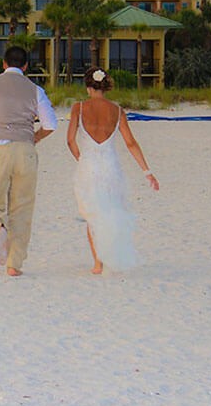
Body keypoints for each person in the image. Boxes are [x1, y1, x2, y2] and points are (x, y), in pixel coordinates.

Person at [0, 46, 58, 276]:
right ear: (26, 66)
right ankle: (13, 265)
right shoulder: (35, 89)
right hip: (25, 150)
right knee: (22, 208)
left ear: (4, 64)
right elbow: (50, 124)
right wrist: (33, 138)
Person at [66, 67, 159, 274]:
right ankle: (107, 257)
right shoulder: (117, 110)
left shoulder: (78, 108)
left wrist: (81, 159)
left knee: (92, 214)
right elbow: (131, 143)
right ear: (104, 86)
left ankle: (98, 263)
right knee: (110, 211)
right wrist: (147, 171)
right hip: (111, 166)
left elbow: (70, 140)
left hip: (88, 166)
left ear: (88, 87)